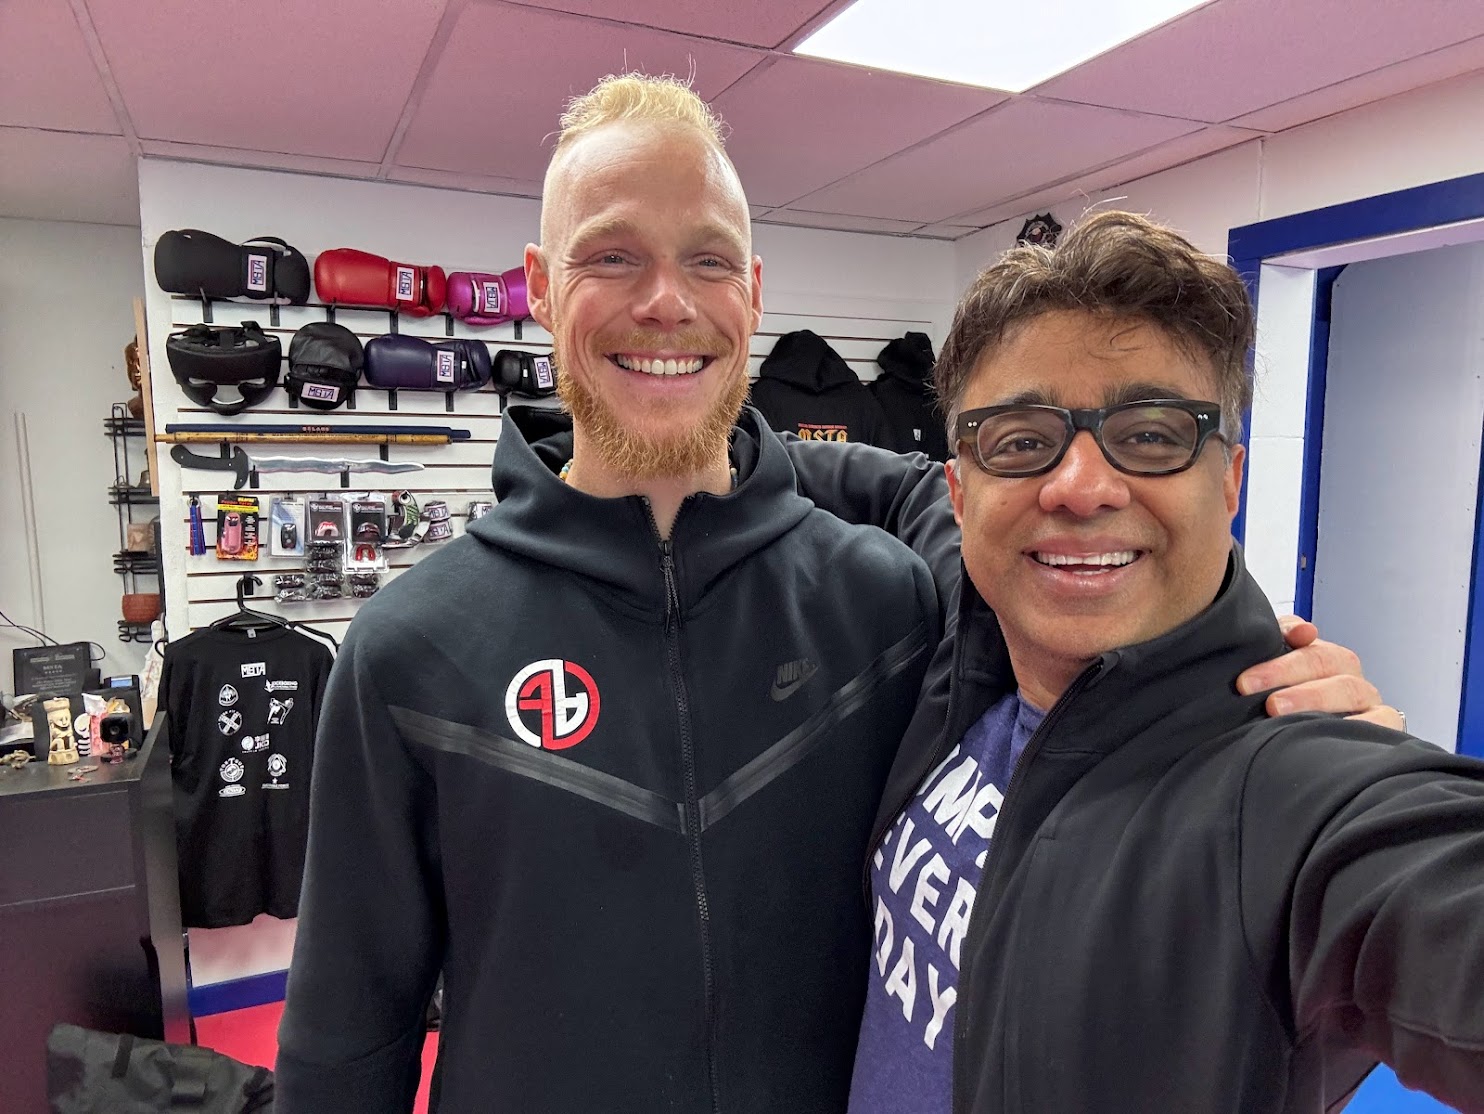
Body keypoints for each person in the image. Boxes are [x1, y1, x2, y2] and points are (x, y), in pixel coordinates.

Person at [276, 76, 1389, 1113]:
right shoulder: (412, 648)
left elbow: (1080, 583)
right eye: (611, 255)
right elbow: (345, 1034)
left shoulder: (885, 604)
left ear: (753, 292)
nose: (666, 302)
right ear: (538, 285)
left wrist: (1244, 679)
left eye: (708, 260)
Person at [846, 210, 1484, 1114]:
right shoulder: (972, 640)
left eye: (1151, 435)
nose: (1081, 487)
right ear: (960, 491)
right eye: (1021, 441)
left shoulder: (1283, 791)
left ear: (1229, 482)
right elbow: (866, 480)